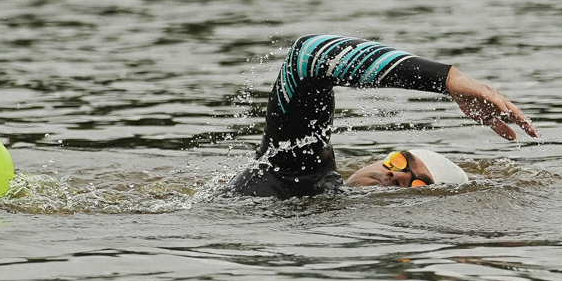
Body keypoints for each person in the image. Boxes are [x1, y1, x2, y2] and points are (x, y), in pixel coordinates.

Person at [227, 34, 536, 198]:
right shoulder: (296, 173)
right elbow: (309, 55)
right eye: (400, 161)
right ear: (379, 159)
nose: (398, 176)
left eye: (418, 184)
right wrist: (448, 80)